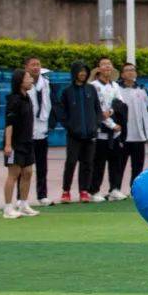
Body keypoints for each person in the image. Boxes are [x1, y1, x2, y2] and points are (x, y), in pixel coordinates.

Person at [56, 60, 102, 203]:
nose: (83, 74)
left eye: (85, 71)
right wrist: (70, 126)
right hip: (73, 135)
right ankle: (66, 191)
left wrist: (95, 125)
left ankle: (84, 191)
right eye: (80, 71)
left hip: (90, 134)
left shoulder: (91, 89)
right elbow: (62, 113)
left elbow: (97, 109)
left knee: (87, 163)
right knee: (71, 162)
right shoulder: (67, 91)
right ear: (74, 73)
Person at [87, 57, 126, 202]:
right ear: (98, 68)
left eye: (109, 64)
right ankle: (94, 190)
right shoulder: (93, 86)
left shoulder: (115, 85)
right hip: (100, 130)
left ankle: (114, 189)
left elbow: (120, 103)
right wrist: (110, 123)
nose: (107, 66)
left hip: (114, 130)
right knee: (98, 162)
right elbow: (97, 108)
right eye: (103, 64)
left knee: (116, 161)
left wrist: (112, 114)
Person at [2, 69, 39, 219]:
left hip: (27, 142)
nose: (31, 80)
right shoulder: (14, 100)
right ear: (20, 81)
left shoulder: (27, 98)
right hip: (15, 144)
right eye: (28, 77)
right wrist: (8, 145)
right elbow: (9, 124)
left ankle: (24, 204)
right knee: (13, 174)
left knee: (28, 172)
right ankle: (8, 208)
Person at [23, 57, 54, 206]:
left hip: (42, 128)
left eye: (38, 64)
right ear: (26, 67)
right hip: (27, 131)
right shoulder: (23, 85)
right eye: (33, 65)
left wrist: (51, 122)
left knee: (42, 166)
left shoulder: (46, 83)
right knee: (24, 167)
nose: (36, 67)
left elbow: (50, 103)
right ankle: (21, 198)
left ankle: (42, 195)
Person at [116, 62, 148, 190]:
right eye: (127, 70)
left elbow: (147, 111)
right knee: (119, 165)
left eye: (133, 70)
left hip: (138, 135)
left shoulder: (142, 90)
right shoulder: (117, 90)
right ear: (122, 74)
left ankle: (135, 190)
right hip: (122, 136)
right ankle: (115, 189)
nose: (131, 72)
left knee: (137, 166)